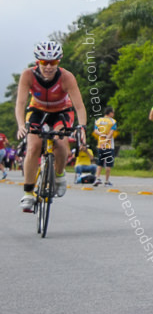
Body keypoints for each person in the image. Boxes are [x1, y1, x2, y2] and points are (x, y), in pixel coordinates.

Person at [14, 41, 89, 212]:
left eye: (53, 62)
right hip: (37, 111)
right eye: (44, 62)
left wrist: (82, 127)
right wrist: (20, 125)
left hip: (61, 111)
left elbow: (79, 106)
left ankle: (60, 176)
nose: (48, 67)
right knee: (33, 147)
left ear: (59, 61)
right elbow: (20, 104)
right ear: (37, 61)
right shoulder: (28, 75)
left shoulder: (66, 77)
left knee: (61, 143)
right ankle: (28, 193)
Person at [92, 106, 118, 186]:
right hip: (109, 146)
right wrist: (106, 139)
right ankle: (106, 181)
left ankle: (97, 178)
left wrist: (101, 134)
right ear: (110, 113)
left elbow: (95, 131)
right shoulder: (113, 121)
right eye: (113, 112)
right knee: (108, 164)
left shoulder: (99, 120)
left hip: (100, 145)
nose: (113, 114)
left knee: (99, 163)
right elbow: (111, 133)